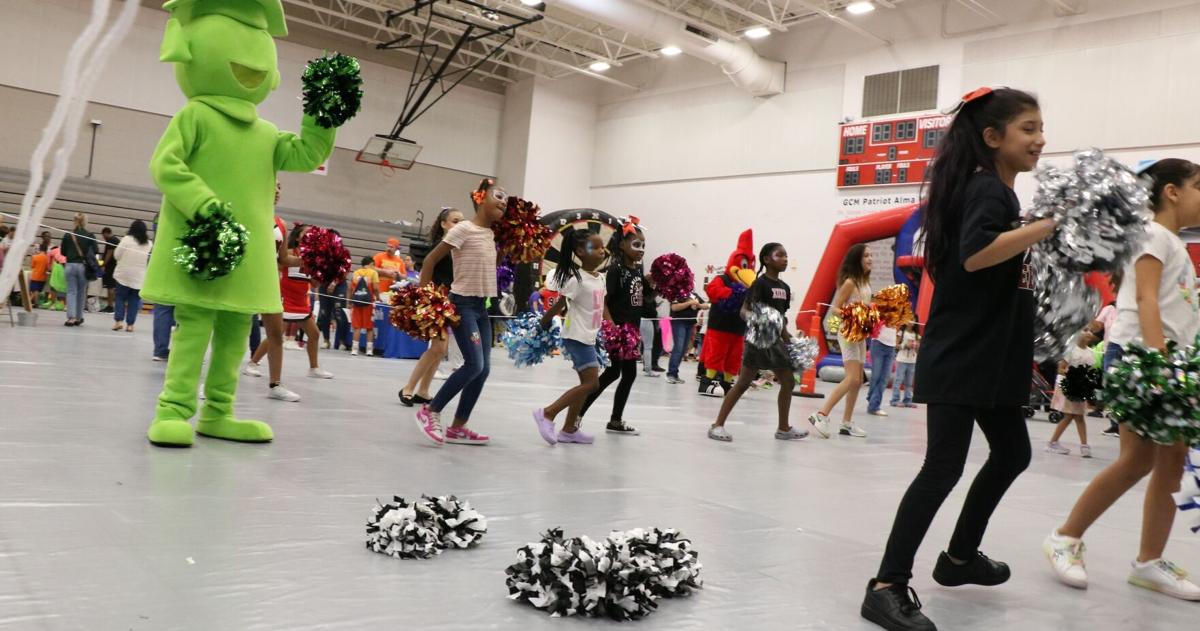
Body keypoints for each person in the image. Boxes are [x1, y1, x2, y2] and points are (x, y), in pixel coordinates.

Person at [860, 87, 1052, 631]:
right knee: (942, 467)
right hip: (965, 355)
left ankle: (960, 558)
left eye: (1041, 128)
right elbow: (974, 256)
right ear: (993, 138)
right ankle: (886, 585)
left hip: (991, 356)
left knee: (1012, 452)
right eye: (1029, 129)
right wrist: (1045, 227)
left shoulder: (994, 193)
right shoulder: (988, 190)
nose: (1040, 139)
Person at [1043, 158, 1200, 601]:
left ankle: (1150, 562)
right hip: (1143, 358)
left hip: (1168, 358)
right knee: (1136, 460)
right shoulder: (1152, 235)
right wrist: (1162, 364)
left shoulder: (1173, 242)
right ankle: (1065, 537)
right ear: (1171, 191)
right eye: (1199, 186)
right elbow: (1147, 299)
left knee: (1171, 459)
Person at [413, 179, 505, 446]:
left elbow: (492, 265)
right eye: (497, 196)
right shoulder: (464, 229)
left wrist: (507, 252)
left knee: (484, 369)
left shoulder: (491, 234)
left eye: (506, 200)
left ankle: (458, 427)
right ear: (480, 199)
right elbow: (430, 260)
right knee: (473, 364)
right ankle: (429, 412)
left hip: (481, 308)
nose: (503, 202)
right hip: (462, 305)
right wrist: (423, 298)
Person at [707, 243, 808, 442]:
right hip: (758, 341)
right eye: (780, 255)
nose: (785, 259)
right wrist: (757, 320)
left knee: (788, 382)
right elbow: (744, 311)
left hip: (776, 342)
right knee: (744, 382)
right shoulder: (759, 284)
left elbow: (781, 319)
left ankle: (783, 428)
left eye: (787, 255)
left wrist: (790, 340)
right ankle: (717, 425)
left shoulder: (784, 288)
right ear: (767, 260)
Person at [531, 227, 609, 445]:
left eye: (603, 247)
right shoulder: (576, 279)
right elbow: (561, 304)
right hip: (576, 337)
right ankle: (548, 413)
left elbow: (604, 305)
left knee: (585, 383)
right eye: (595, 247)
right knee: (592, 384)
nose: (602, 251)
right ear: (580, 252)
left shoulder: (600, 278)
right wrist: (544, 323)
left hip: (590, 337)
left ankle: (568, 430)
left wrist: (611, 325)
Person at [578, 217, 649, 436]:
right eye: (636, 245)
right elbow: (605, 301)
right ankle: (579, 414)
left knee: (624, 374)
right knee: (613, 373)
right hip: (618, 331)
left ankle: (614, 420)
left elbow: (639, 299)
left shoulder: (637, 269)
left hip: (632, 330)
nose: (641, 250)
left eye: (643, 246)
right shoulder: (616, 269)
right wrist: (613, 328)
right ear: (621, 245)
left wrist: (654, 284)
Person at [809, 244, 873, 438]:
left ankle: (846, 423)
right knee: (852, 377)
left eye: (871, 255)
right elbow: (835, 308)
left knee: (858, 380)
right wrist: (852, 315)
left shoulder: (865, 282)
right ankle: (821, 414)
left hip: (861, 334)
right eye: (866, 256)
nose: (871, 259)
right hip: (848, 332)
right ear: (857, 260)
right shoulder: (850, 283)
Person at [399, 207, 462, 402]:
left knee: (440, 350)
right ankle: (408, 388)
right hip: (436, 300)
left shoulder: (460, 247)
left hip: (450, 301)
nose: (459, 224)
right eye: (455, 221)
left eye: (462, 221)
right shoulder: (438, 246)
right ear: (444, 224)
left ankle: (423, 391)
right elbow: (427, 267)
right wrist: (425, 297)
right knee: (438, 348)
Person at [243, 211, 304, 402]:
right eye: (274, 185)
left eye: (280, 186)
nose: (277, 190)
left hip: (270, 282)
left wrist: (309, 260)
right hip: (244, 278)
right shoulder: (247, 212)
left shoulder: (280, 223)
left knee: (276, 334)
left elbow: (283, 258)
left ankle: (275, 385)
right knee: (228, 332)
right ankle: (210, 383)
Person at [699, 229, 755, 396]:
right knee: (716, 354)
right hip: (719, 326)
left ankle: (727, 383)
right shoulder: (722, 279)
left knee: (734, 357)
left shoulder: (749, 286)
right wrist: (733, 293)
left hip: (738, 328)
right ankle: (707, 382)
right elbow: (712, 291)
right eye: (745, 265)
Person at [1046, 330, 1099, 457]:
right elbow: (1061, 369)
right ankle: (1079, 445)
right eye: (1085, 330)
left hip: (1080, 389)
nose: (1088, 333)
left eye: (1091, 331)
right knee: (1072, 416)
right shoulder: (1070, 350)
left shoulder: (1090, 352)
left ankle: (1080, 445)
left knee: (1077, 417)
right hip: (1068, 387)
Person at [111, 219, 153, 332]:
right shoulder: (149, 243)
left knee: (120, 297)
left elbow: (116, 255)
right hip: (139, 277)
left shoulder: (126, 239)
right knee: (134, 301)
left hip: (123, 275)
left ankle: (119, 321)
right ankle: (130, 325)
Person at [59, 213, 96, 327]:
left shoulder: (68, 235)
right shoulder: (89, 235)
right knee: (81, 293)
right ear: (85, 222)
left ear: (74, 221)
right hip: (83, 267)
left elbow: (63, 252)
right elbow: (95, 250)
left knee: (71, 292)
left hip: (70, 265)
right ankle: (79, 317)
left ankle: (71, 318)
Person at [667, 291, 708, 384]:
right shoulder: (678, 293)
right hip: (679, 323)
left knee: (683, 349)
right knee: (678, 348)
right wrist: (689, 303)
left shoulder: (694, 295)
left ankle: (675, 373)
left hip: (690, 324)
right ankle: (671, 374)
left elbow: (706, 305)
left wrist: (697, 304)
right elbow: (674, 307)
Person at [349, 256, 380, 358]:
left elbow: (351, 288)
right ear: (371, 264)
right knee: (369, 327)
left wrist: (350, 301)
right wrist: (378, 297)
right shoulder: (373, 273)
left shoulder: (356, 273)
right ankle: (369, 350)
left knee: (357, 326)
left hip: (357, 302)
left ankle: (354, 349)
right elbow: (375, 288)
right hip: (369, 303)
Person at [866, 324, 899, 416]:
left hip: (891, 346)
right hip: (878, 342)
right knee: (876, 376)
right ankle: (872, 399)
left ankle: (874, 405)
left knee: (885, 377)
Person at [889, 323, 919, 408]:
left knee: (909, 382)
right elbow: (895, 345)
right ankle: (895, 400)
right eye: (910, 319)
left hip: (912, 360)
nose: (911, 322)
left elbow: (918, 350)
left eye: (913, 319)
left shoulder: (916, 335)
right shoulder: (901, 333)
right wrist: (905, 345)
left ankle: (908, 400)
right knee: (898, 380)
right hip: (902, 359)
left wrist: (916, 346)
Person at [99, 227, 119, 312]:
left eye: (103, 235)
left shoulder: (111, 240)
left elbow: (109, 254)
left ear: (106, 233)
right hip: (113, 266)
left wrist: (103, 264)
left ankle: (110, 306)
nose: (103, 237)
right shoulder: (115, 240)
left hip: (111, 267)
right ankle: (110, 305)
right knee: (110, 287)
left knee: (110, 287)